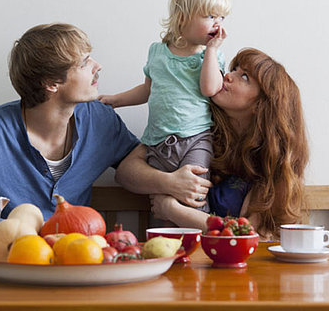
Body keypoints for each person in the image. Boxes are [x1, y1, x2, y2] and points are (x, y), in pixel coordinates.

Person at [0, 23, 141, 246]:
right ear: (51, 83)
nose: (97, 66)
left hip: (77, 263)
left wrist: (169, 185)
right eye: (84, 63)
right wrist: (11, 233)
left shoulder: (100, 120)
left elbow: (140, 161)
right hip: (12, 266)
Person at [115, 48, 309, 240]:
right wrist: (170, 183)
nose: (228, 76)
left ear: (261, 105)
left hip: (231, 265)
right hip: (179, 258)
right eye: (234, 69)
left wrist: (171, 209)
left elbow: (246, 235)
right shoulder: (194, 123)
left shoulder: (274, 165)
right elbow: (125, 172)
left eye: (244, 77)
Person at [99, 0, 230, 215]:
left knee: (193, 195)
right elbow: (148, 90)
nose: (217, 23)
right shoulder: (157, 52)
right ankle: (163, 249)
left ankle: (200, 245)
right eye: (210, 16)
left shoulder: (211, 57)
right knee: (161, 204)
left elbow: (210, 89)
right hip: (159, 141)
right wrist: (116, 100)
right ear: (183, 18)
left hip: (196, 138)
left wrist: (211, 51)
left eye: (221, 17)